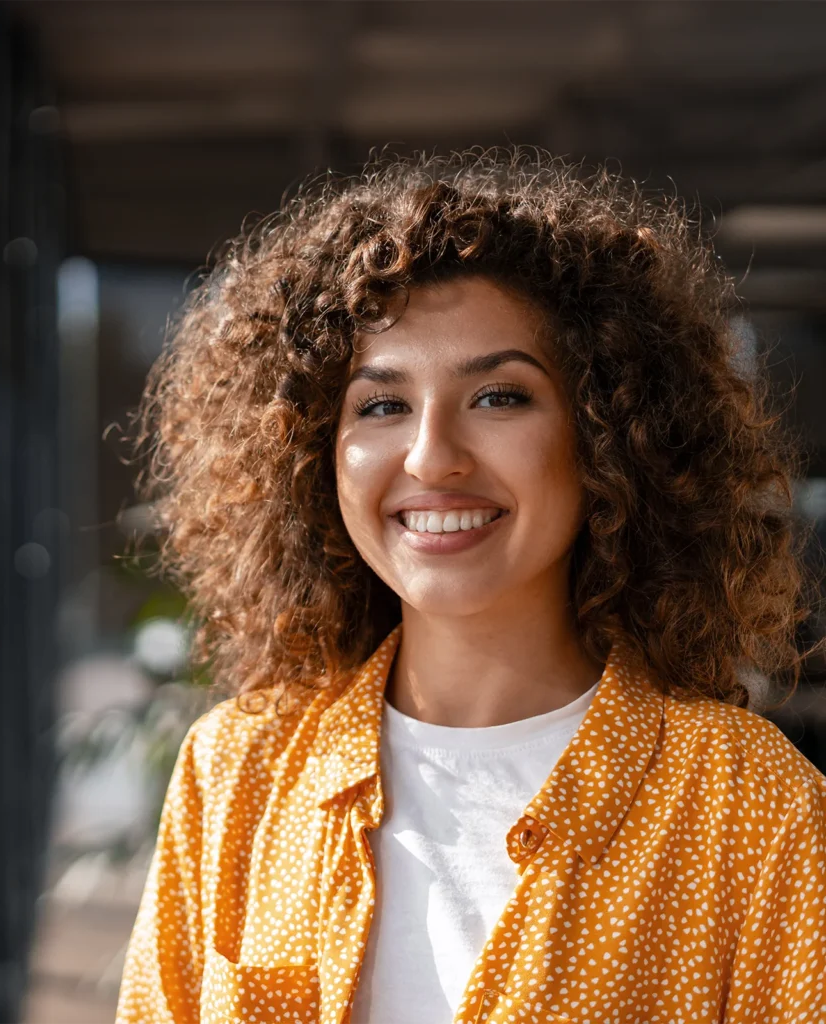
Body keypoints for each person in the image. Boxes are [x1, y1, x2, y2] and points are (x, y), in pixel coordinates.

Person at [114, 150, 826, 1024]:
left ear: (609, 437)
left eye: (498, 397)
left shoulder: (750, 804)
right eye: (381, 406)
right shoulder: (238, 773)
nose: (431, 457)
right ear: (312, 456)